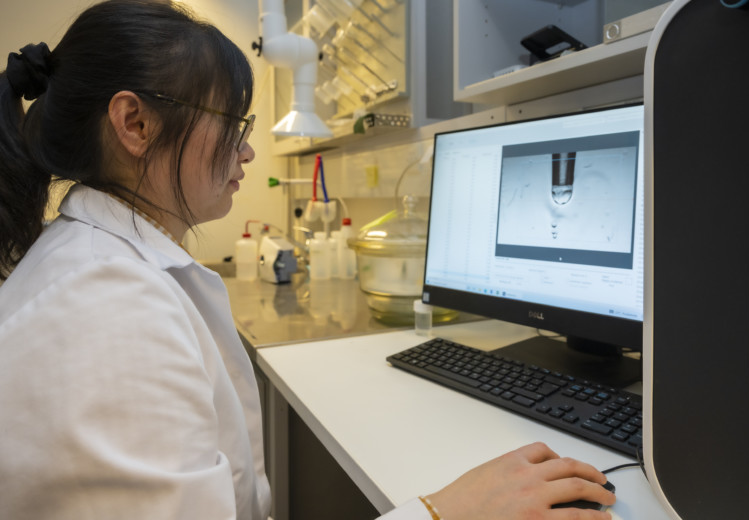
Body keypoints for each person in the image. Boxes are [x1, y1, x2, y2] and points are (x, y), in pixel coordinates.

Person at [0, 1, 616, 519]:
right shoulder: (105, 311)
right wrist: (443, 512)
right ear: (135, 122)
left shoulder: (103, 269)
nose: (245, 152)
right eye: (232, 123)